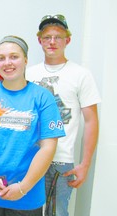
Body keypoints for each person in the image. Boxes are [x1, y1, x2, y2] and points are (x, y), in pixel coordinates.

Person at [0, 35, 66, 216]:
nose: (7, 63)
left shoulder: (43, 98)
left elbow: (48, 147)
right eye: (1, 58)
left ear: (26, 60)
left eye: (14, 57)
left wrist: (23, 187)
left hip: (27, 195)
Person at [26, 14, 101, 216]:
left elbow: (91, 121)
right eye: (47, 36)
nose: (52, 42)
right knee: (26, 211)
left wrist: (85, 164)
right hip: (30, 156)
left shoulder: (81, 74)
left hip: (61, 160)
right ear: (39, 40)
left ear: (67, 40)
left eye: (58, 37)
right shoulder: (28, 74)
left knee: (57, 212)